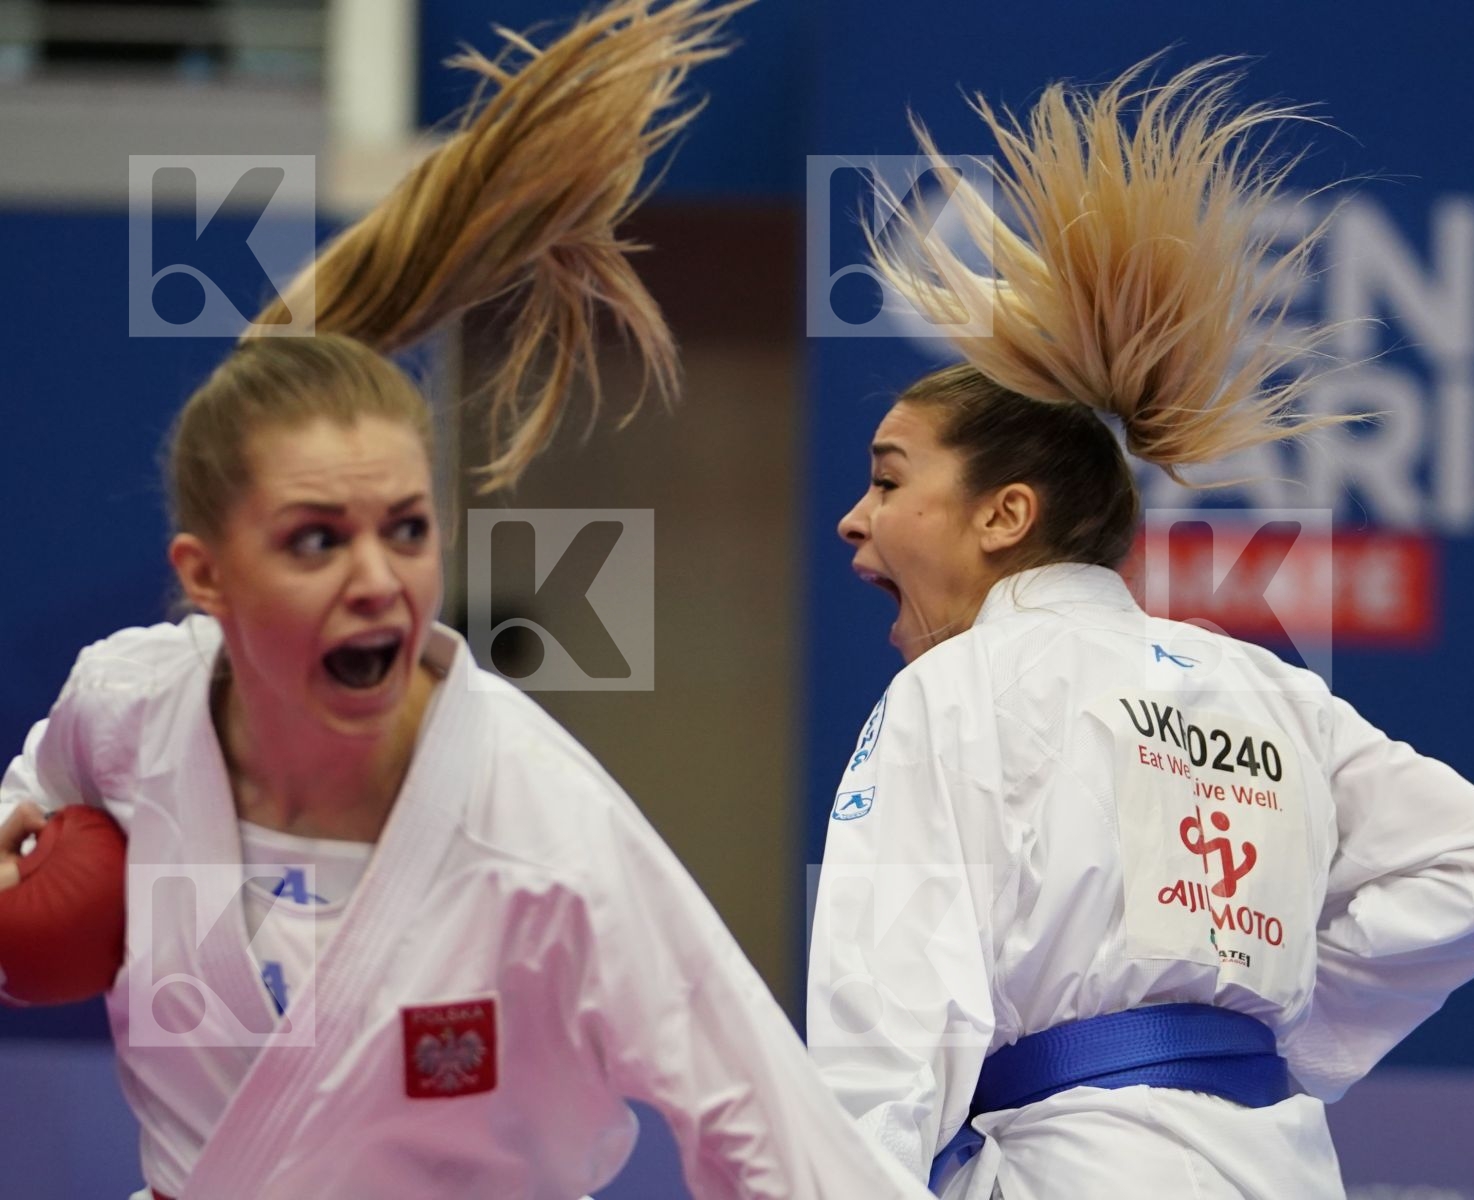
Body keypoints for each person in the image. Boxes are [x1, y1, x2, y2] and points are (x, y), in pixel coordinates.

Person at [0, 3, 938, 1197]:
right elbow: (38, 792)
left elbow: (765, 1118)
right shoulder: (126, 710)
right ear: (204, 581)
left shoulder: (535, 828)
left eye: (406, 529)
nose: (377, 580)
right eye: (315, 541)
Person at [806, 61, 1474, 1199]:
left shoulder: (950, 695)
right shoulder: (1266, 688)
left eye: (888, 478)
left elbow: (883, 1034)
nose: (853, 519)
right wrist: (1278, 1038)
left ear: (1007, 515)